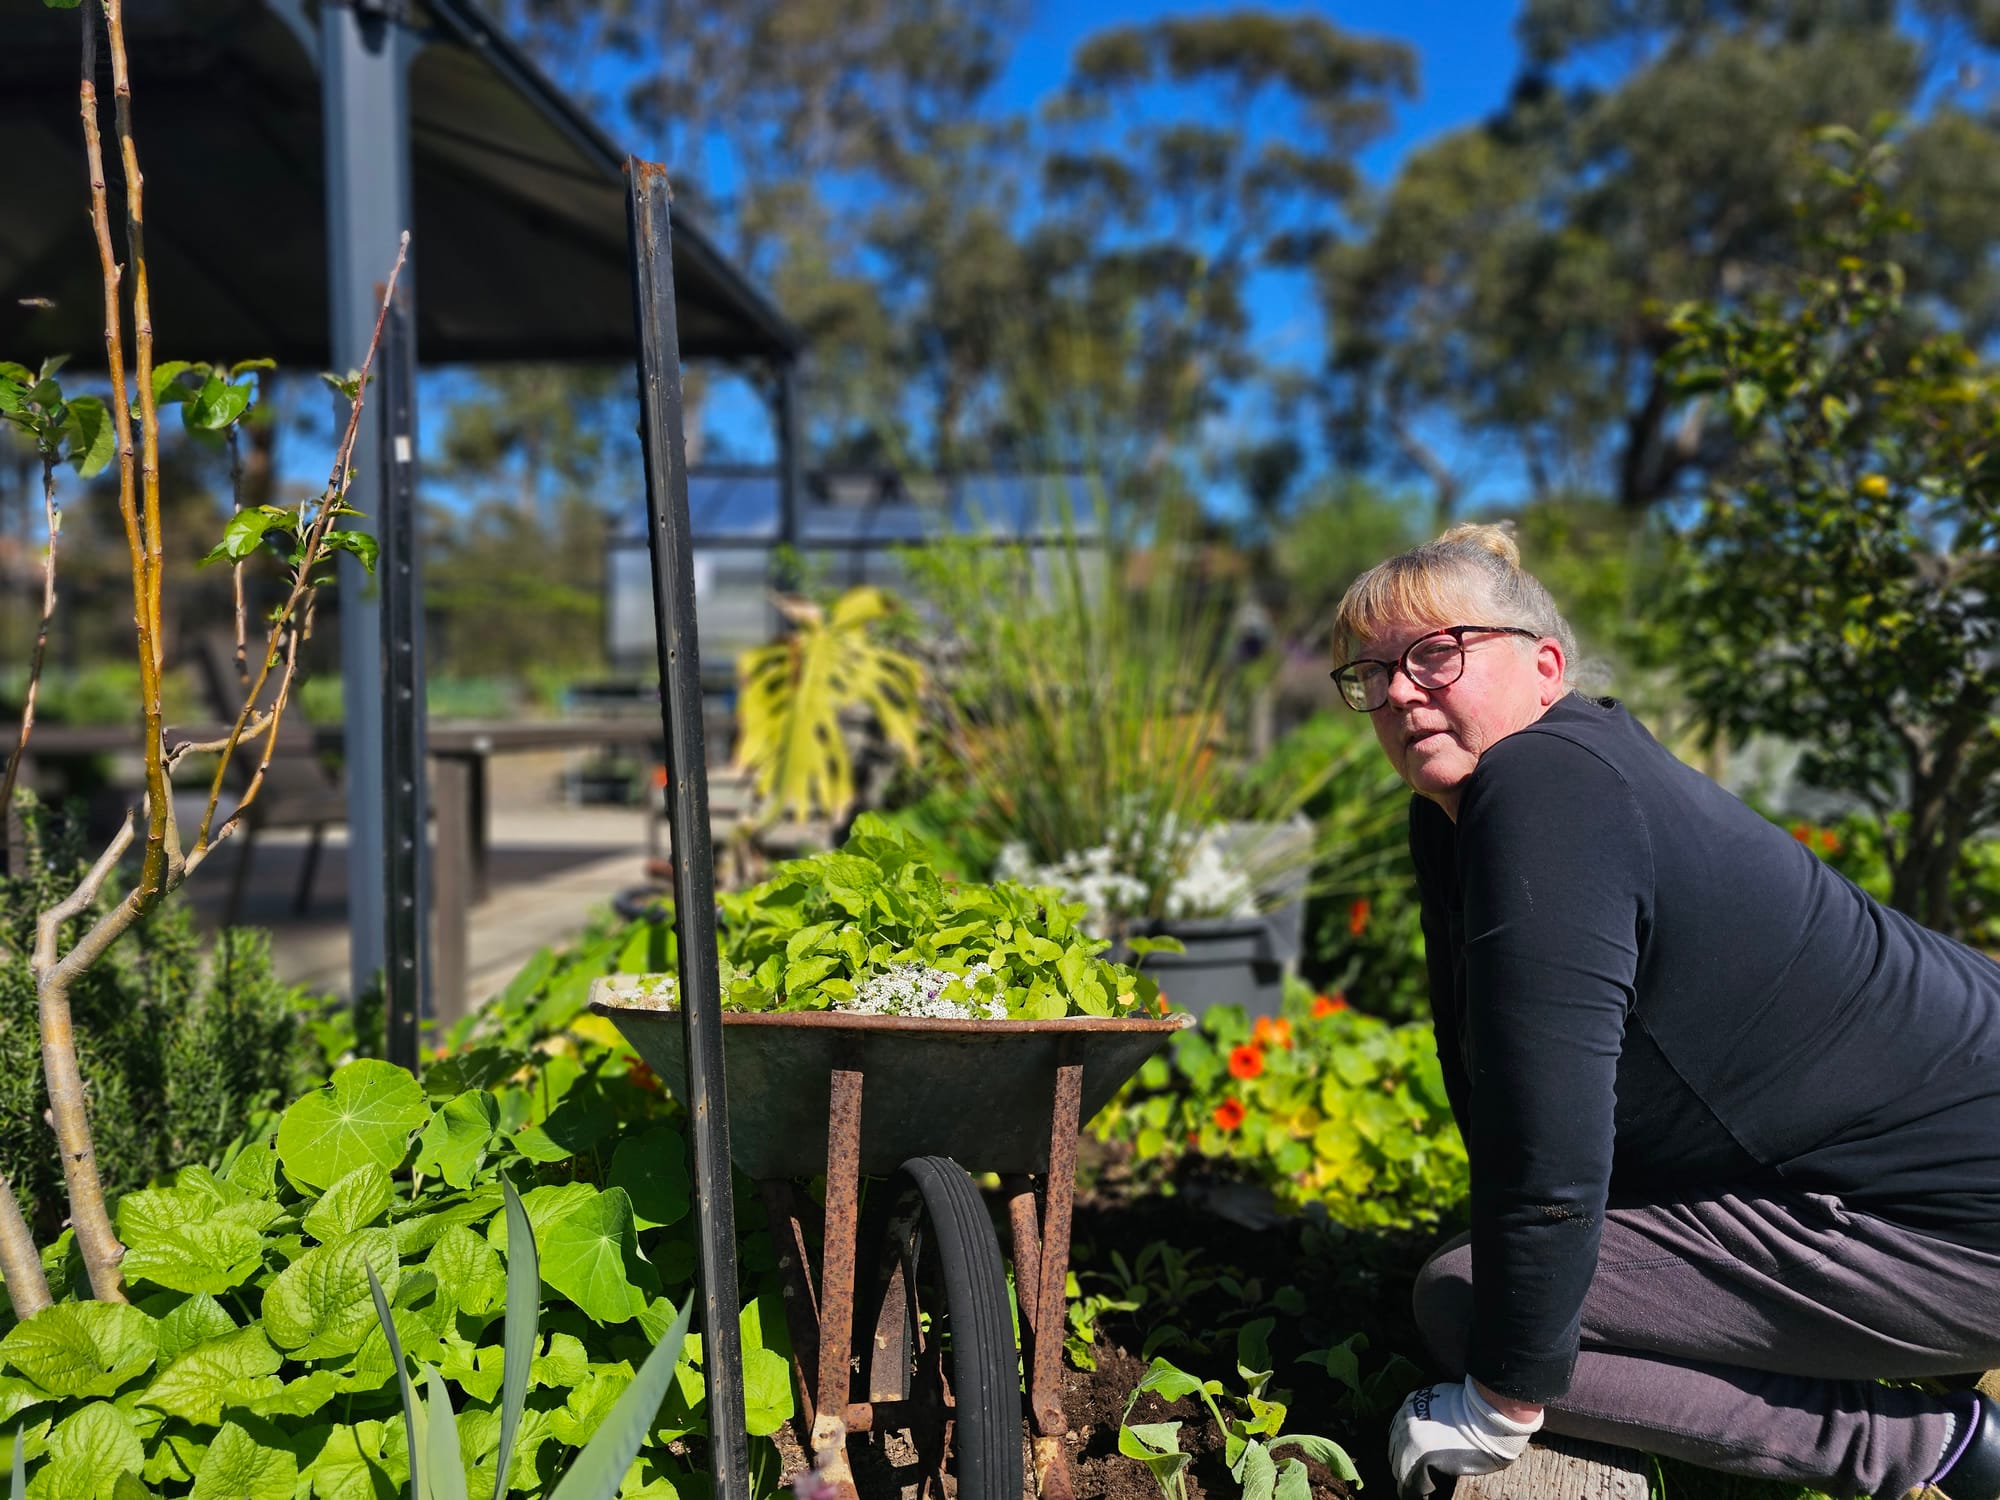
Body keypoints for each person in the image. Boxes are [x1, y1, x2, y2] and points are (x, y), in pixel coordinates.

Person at [1326, 524, 2000, 1500]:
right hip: (1944, 1158)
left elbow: (1546, 1131)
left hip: (1964, 1223)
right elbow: (1498, 1082)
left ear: (1543, 665)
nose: (1396, 691)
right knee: (1516, 1266)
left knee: (1470, 1301)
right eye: (1369, 672)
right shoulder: (1481, 805)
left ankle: (1927, 1447)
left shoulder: (1541, 781)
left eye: (1436, 653)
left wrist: (1501, 1397)